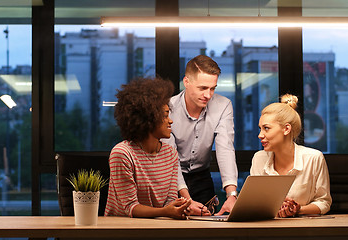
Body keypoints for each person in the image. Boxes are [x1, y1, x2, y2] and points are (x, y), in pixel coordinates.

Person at [104, 77, 191, 219]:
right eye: (165, 116)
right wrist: (167, 212)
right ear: (148, 118)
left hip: (157, 227)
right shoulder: (122, 153)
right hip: (121, 230)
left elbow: (169, 202)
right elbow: (130, 208)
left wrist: (182, 208)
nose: (170, 121)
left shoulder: (170, 153)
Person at [164, 55, 238, 216]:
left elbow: (225, 148)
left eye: (213, 88)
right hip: (171, 177)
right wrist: (187, 200)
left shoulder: (223, 105)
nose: (208, 95)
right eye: (203, 88)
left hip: (202, 176)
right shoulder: (168, 108)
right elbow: (170, 158)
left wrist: (232, 195)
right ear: (186, 82)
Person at [250, 94, 332, 217]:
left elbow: (323, 202)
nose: (260, 135)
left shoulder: (314, 158)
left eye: (266, 128)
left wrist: (298, 210)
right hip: (267, 229)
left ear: (286, 129)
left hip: (304, 230)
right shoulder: (259, 158)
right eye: (260, 129)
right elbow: (253, 202)